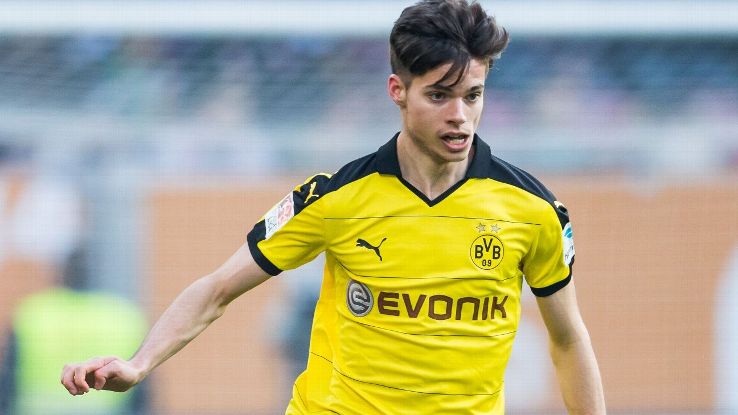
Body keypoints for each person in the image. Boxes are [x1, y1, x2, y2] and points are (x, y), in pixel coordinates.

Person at [61, 1, 606, 413]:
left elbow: (568, 339)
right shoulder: (334, 198)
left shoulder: (533, 211)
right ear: (398, 90)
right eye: (439, 96)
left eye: (473, 95)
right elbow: (217, 289)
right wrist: (139, 364)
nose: (459, 115)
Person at [2, 246, 149, 415]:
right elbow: (141, 386)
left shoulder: (33, 312)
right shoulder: (124, 315)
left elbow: (8, 378)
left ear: (63, 273)